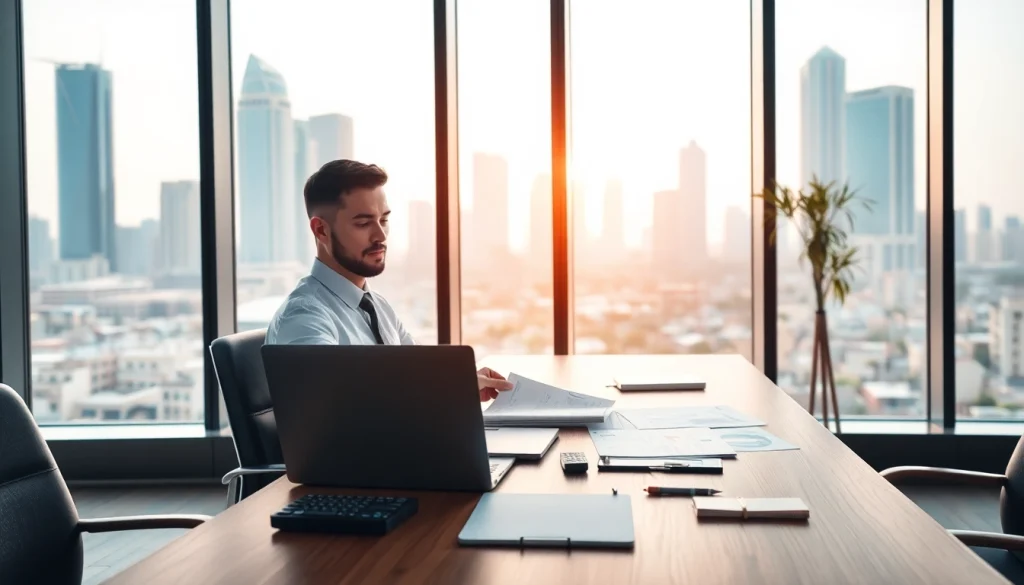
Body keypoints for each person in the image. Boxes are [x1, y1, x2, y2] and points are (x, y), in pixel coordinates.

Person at [265, 159, 512, 402]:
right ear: (321, 230)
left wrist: (463, 383)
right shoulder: (304, 317)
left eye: (383, 220)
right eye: (363, 223)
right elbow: (339, 404)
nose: (381, 235)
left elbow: (419, 376)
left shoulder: (376, 306)